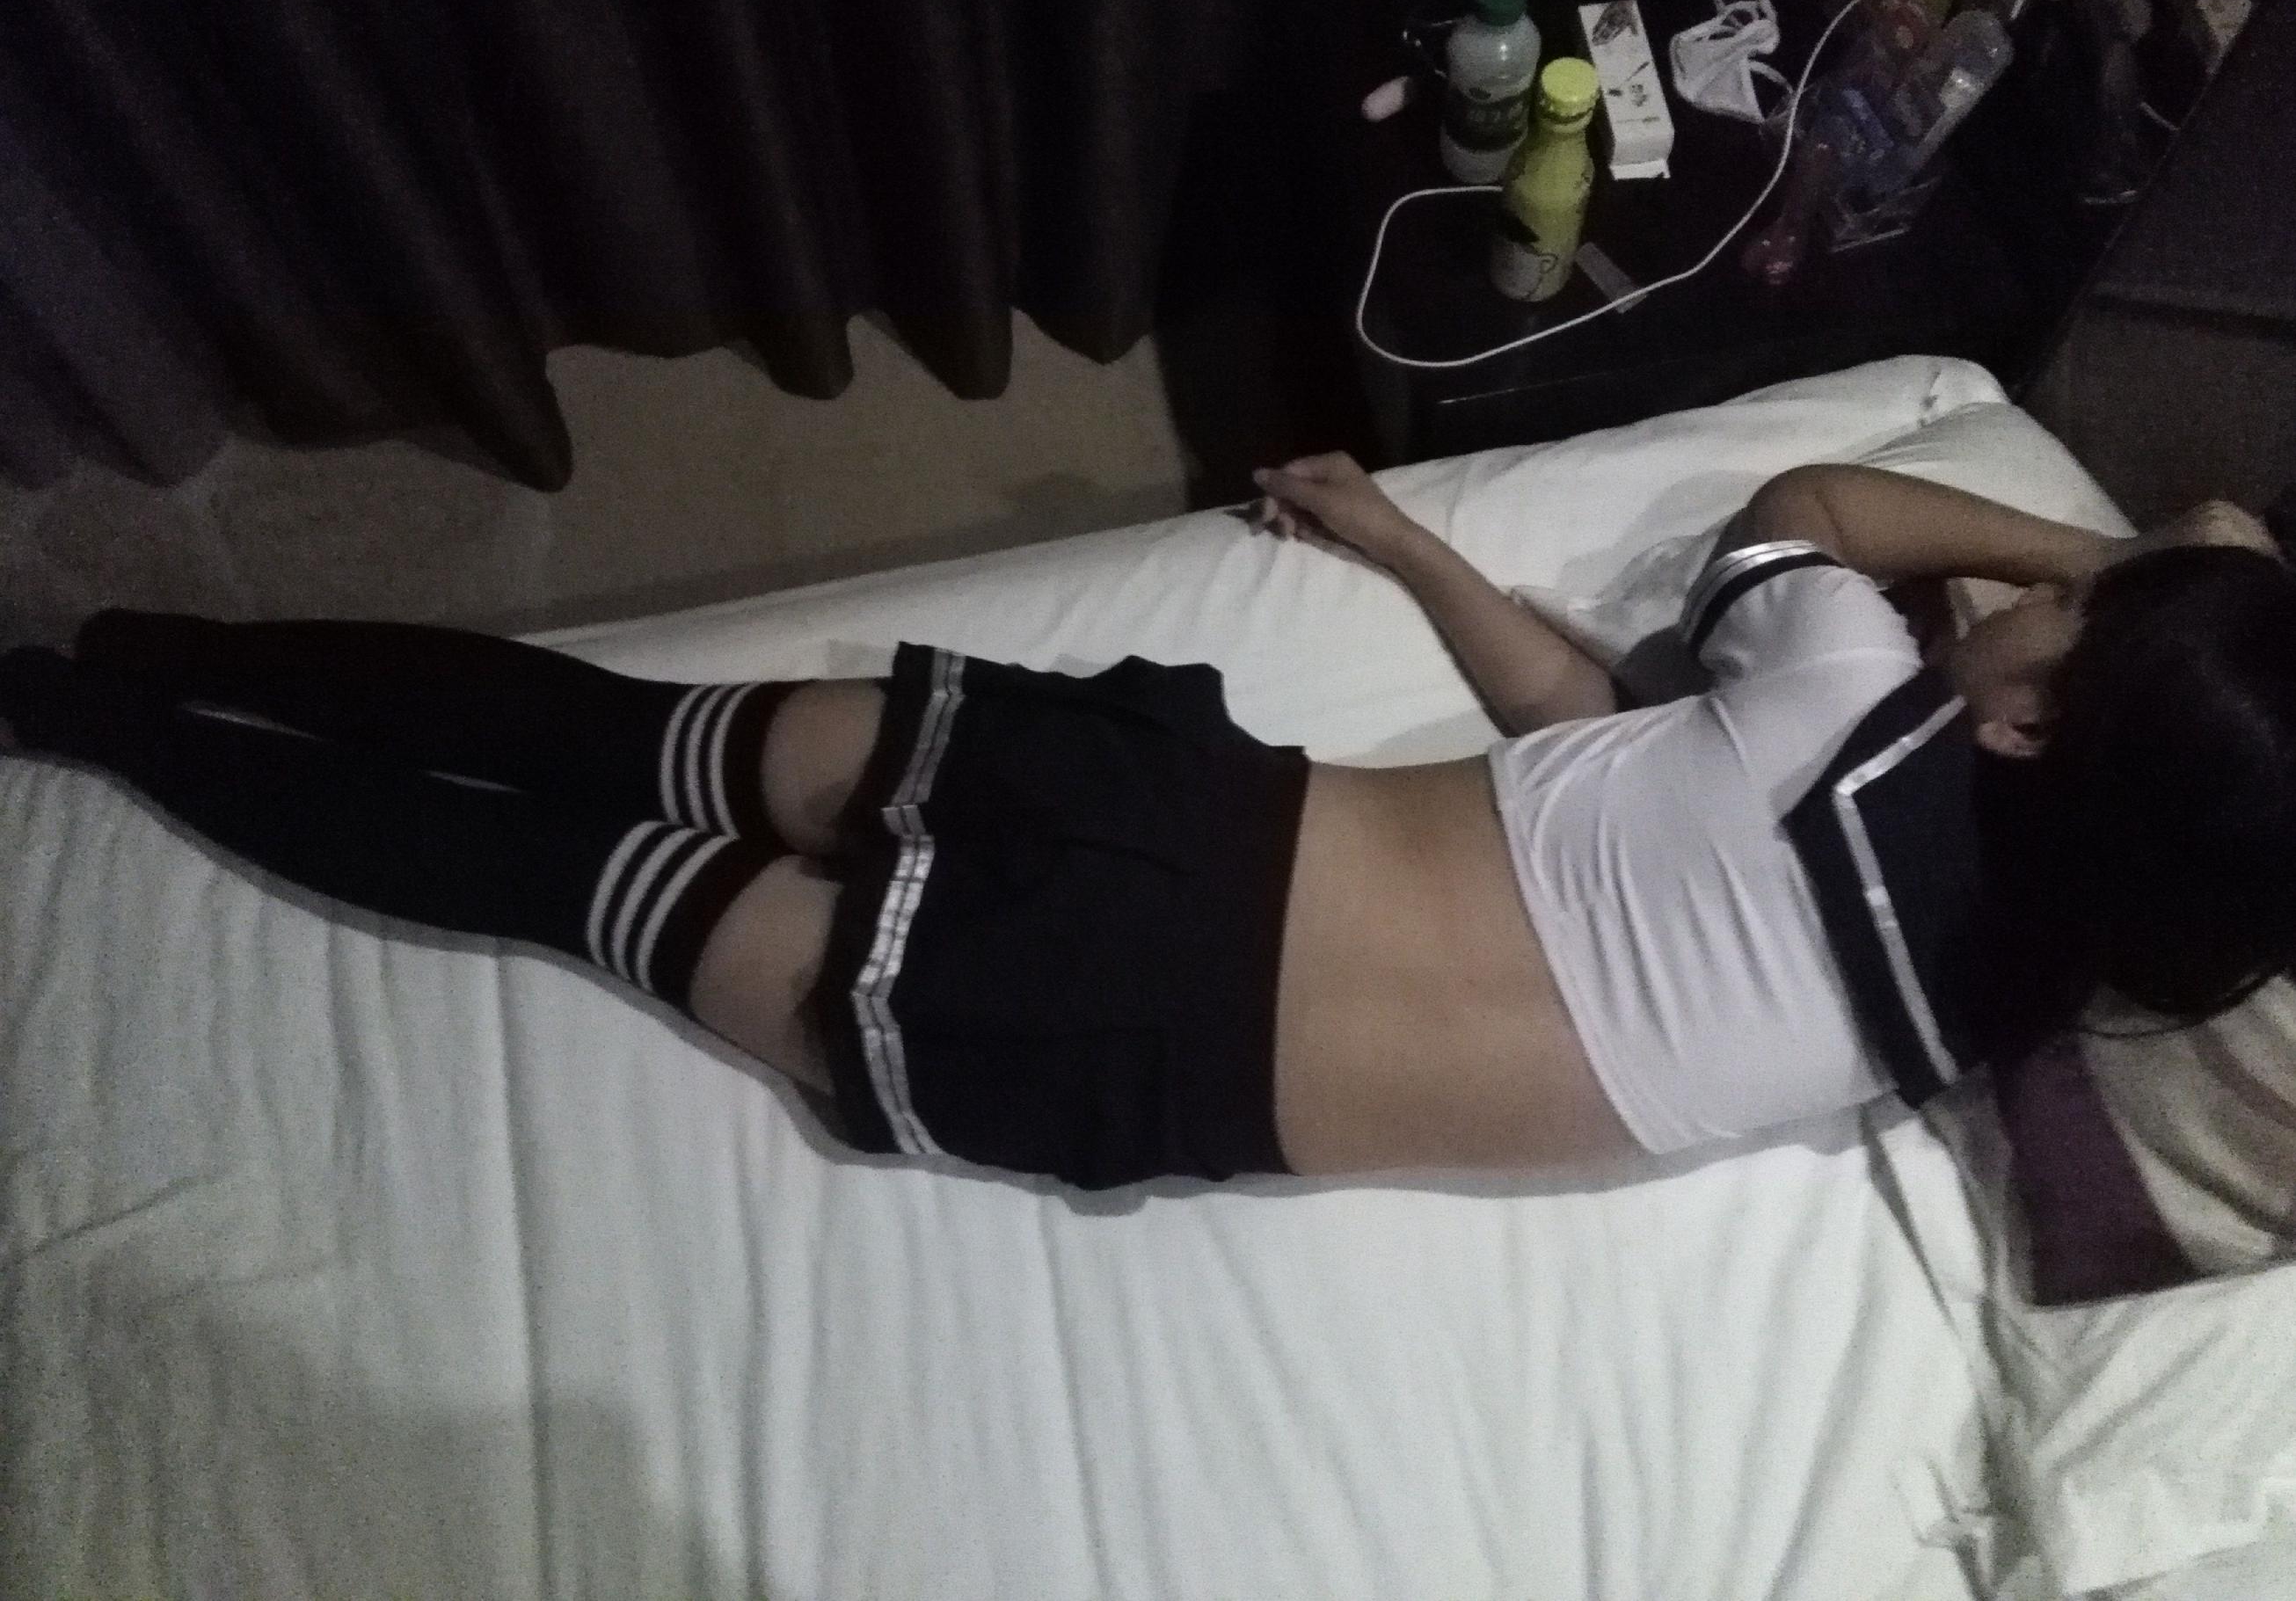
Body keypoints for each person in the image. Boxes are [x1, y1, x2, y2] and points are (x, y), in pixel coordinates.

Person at [2, 457, 2290, 1190]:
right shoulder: (1994, 1027)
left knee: (607, 743)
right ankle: (96, 723)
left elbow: (1807, 513)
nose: (2013, 602)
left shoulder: (1848, 681)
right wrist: (1401, 546)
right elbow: (1598, 761)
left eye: (2050, 630)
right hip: (1120, 1049)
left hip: (1180, 826)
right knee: (563, 879)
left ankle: (113, 658)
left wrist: (2103, 555)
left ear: (2021, 727)